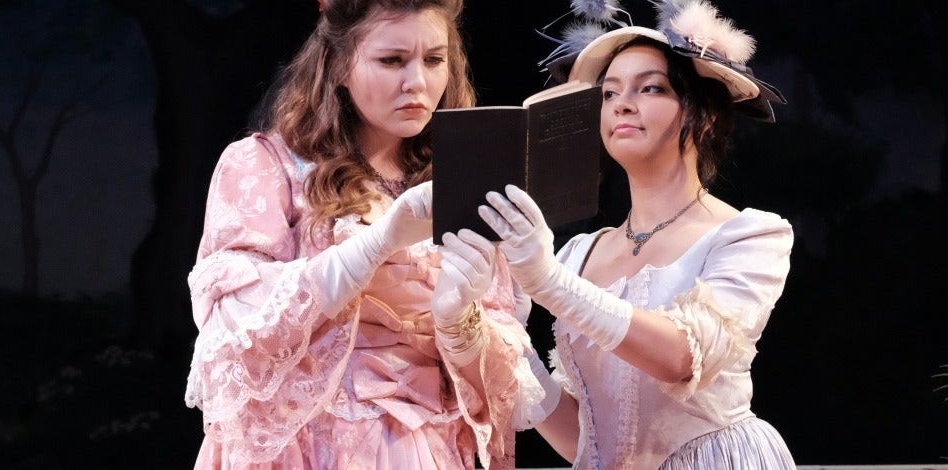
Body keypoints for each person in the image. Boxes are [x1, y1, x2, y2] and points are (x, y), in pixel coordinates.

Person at [183, 0, 537, 468]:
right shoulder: (266, 166)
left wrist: (459, 322)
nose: (417, 82)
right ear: (338, 65)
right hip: (307, 446)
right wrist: (374, 246)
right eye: (392, 60)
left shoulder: (464, 182)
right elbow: (232, 326)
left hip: (427, 448)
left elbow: (504, 383)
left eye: (434, 60)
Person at [477, 3, 797, 468]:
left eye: (651, 87)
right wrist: (494, 333)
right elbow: (587, 441)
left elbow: (681, 357)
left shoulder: (748, 237)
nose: (622, 103)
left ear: (703, 114)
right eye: (609, 94)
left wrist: (548, 283)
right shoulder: (577, 255)